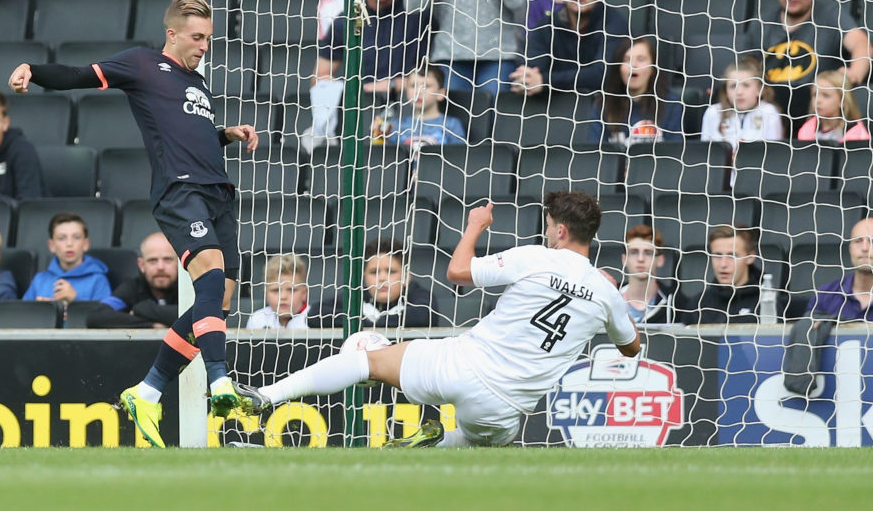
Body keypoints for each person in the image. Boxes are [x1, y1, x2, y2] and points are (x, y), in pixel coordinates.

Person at [8, 0, 260, 446]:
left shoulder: (198, 84)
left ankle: (147, 392)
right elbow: (77, 75)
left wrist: (226, 134)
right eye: (198, 37)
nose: (204, 46)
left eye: (209, 38)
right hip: (180, 192)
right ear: (173, 33)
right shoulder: (142, 64)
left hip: (218, 193)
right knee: (210, 274)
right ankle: (220, 381)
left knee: (219, 298)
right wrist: (34, 69)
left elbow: (192, 137)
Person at [234, 192, 641, 448]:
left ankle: (264, 397)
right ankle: (436, 444)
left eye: (550, 227)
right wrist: (603, 297)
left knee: (365, 356)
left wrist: (474, 226)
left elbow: (458, 272)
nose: (548, 233)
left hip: (463, 365)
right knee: (482, 439)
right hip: (507, 408)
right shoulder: (606, 292)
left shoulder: (534, 256)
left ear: (561, 231)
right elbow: (631, 346)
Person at [306, 0, 430, 151]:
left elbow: (428, 79)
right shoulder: (345, 20)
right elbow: (319, 77)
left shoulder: (417, 17)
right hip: (357, 114)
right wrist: (358, 90)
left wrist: (370, 87)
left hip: (407, 113)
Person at [742, 0, 871, 131]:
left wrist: (854, 74)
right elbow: (748, 66)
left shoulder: (830, 15)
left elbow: (861, 43)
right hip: (768, 110)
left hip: (811, 109)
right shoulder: (762, 21)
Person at [512, 0, 628, 97]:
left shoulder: (613, 22)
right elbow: (533, 71)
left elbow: (602, 74)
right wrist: (527, 79)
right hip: (555, 107)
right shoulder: (546, 26)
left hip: (603, 107)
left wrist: (545, 81)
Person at [308, 238, 439, 329]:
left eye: (391, 271)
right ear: (364, 277)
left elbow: (424, 315)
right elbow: (315, 313)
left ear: (406, 277)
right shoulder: (357, 296)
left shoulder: (417, 295)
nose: (382, 278)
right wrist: (362, 323)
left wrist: (378, 324)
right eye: (374, 272)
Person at [587, 37, 684, 145]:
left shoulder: (670, 104)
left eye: (641, 59)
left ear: (653, 67)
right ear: (618, 67)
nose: (633, 65)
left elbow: (676, 153)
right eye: (627, 59)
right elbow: (595, 153)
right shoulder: (602, 105)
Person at [680, 224, 781, 325]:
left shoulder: (768, 303)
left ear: (750, 257)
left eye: (732, 255)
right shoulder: (698, 304)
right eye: (717, 255)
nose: (723, 264)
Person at [86, 232, 179, 329]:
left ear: (179, 262)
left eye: (168, 259)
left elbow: (193, 316)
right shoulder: (132, 287)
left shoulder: (190, 289)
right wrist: (151, 325)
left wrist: (143, 309)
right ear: (141, 265)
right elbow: (96, 316)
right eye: (153, 261)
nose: (160, 267)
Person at [22, 212, 112, 302]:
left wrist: (75, 300)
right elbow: (23, 314)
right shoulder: (40, 280)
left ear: (86, 244)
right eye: (62, 238)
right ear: (51, 245)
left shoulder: (98, 281)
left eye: (76, 237)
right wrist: (40, 310)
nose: (69, 244)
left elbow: (104, 315)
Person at [701, 56, 785, 149]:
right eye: (733, 86)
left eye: (746, 85)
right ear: (726, 90)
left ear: (759, 89)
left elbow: (775, 153)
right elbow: (705, 154)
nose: (739, 92)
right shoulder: (713, 112)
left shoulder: (769, 112)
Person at [372, 65, 466, 148]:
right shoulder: (397, 125)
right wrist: (378, 138)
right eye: (413, 86)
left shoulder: (451, 125)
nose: (418, 92)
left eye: (426, 86)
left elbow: (459, 158)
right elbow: (387, 158)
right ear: (407, 92)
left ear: (441, 94)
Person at [805, 217, 873, 321]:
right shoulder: (824, 296)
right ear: (850, 249)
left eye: (871, 241)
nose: (865, 248)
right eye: (858, 241)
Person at [620, 225, 684, 325]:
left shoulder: (677, 304)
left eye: (648, 253)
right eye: (634, 252)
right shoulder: (610, 299)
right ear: (624, 259)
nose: (640, 259)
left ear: (660, 260)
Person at [796, 70, 871, 142]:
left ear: (843, 101)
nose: (818, 101)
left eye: (826, 96)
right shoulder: (808, 128)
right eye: (815, 95)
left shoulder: (856, 132)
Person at [245, 253, 310, 330]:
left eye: (291, 290)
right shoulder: (257, 320)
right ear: (265, 292)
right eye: (276, 291)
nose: (283, 297)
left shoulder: (315, 319)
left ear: (304, 293)